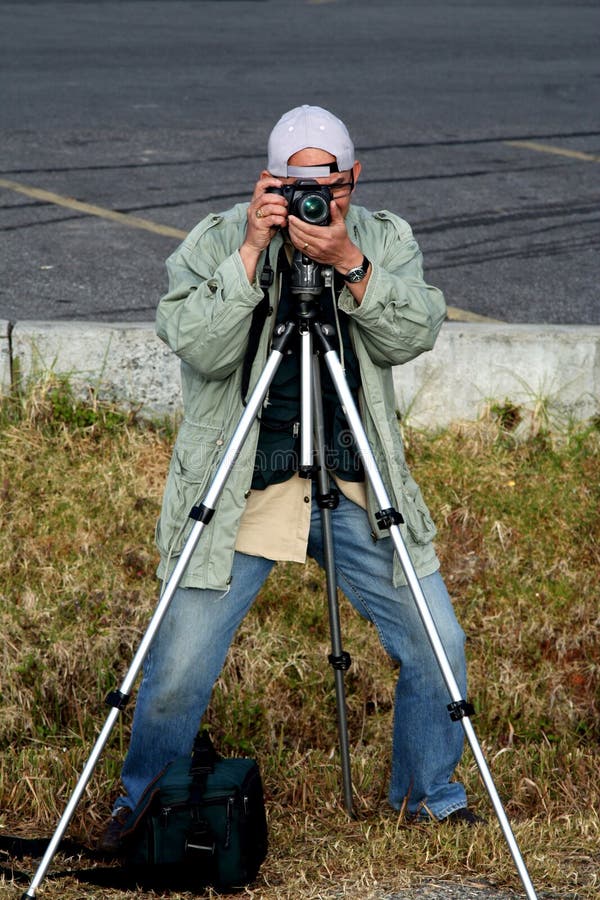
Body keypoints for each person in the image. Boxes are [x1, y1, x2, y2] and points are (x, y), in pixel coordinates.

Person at [100, 104, 482, 853]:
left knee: (442, 642)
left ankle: (427, 795)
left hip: (355, 481)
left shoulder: (383, 238)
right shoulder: (218, 239)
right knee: (177, 664)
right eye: (296, 187)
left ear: (353, 178)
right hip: (247, 482)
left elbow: (415, 333)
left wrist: (347, 263)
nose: (316, 203)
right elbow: (196, 345)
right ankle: (143, 804)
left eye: (330, 187)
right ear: (269, 181)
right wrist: (250, 251)